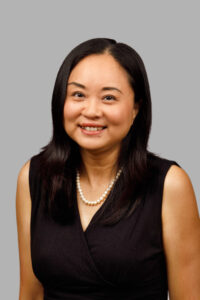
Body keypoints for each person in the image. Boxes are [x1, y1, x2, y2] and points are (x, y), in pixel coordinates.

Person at [16, 38, 200, 300]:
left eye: (109, 97)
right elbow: (31, 294)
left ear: (136, 107)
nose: (91, 111)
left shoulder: (169, 184)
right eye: (78, 95)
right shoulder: (33, 177)